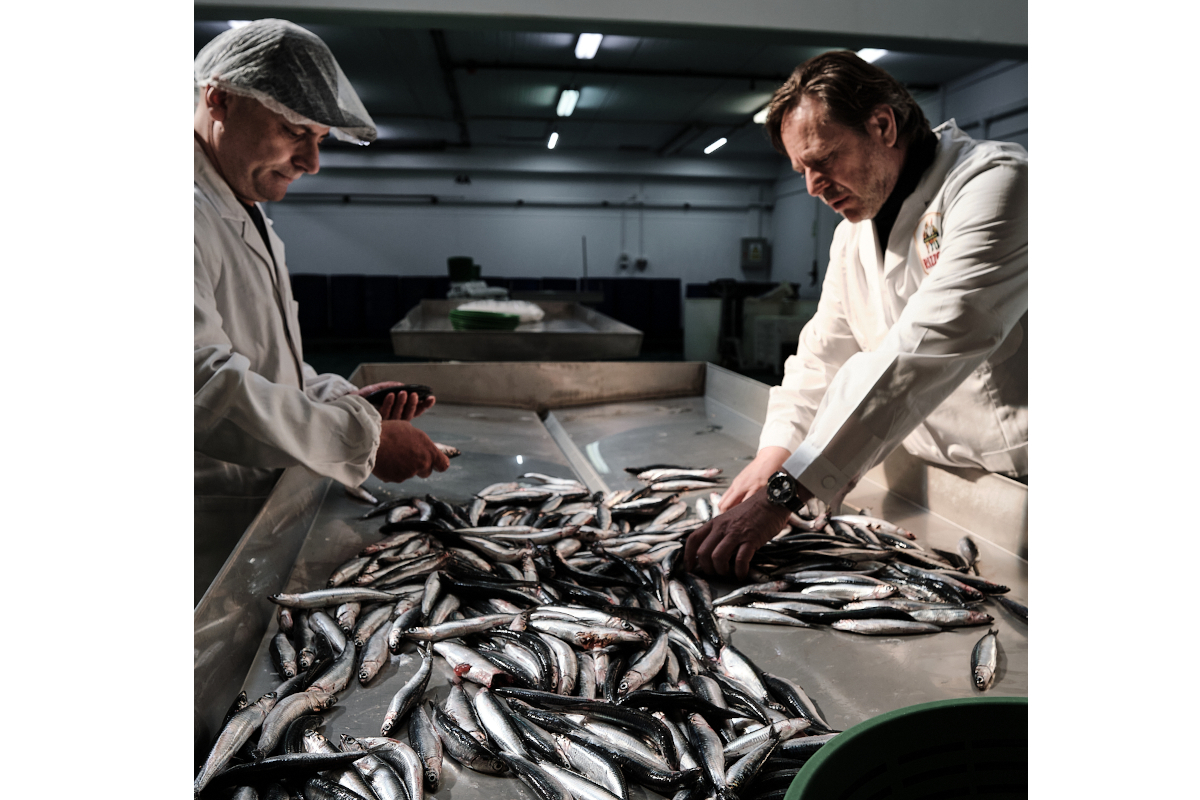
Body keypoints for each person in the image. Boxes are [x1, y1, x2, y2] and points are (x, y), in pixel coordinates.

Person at [685, 51, 1027, 579]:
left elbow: (923, 346)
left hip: (1018, 490)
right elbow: (822, 357)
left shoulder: (996, 185)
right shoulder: (852, 235)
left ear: (883, 125)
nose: (812, 187)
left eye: (823, 159)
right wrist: (773, 456)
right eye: (801, 170)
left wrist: (781, 496)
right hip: (925, 485)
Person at [194, 20, 449, 534]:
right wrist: (362, 442)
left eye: (319, 138)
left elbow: (257, 360)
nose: (312, 162)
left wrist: (333, 397)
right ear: (219, 99)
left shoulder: (243, 208)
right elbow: (198, 383)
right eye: (294, 132)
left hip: (252, 506)